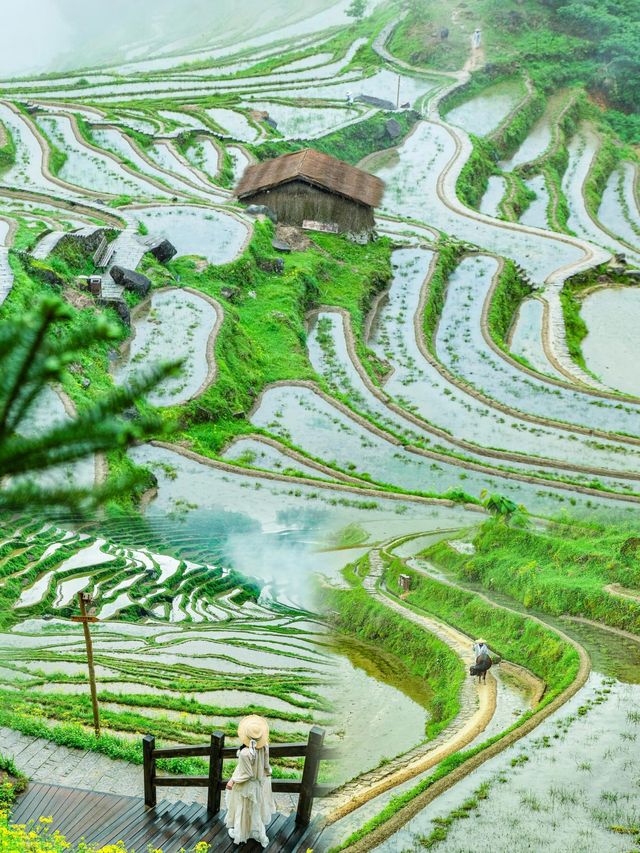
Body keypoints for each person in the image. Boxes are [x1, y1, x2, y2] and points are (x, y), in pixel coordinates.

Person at [225, 715, 276, 848]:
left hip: (246, 784)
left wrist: (233, 781)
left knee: (242, 807)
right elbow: (266, 766)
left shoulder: (244, 753)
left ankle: (240, 832)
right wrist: (265, 776)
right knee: (255, 808)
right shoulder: (265, 746)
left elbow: (247, 773)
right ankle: (255, 832)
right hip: (257, 783)